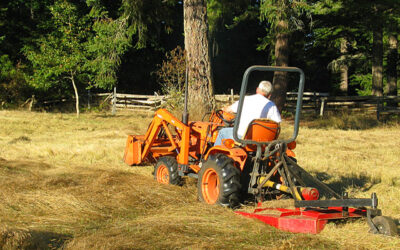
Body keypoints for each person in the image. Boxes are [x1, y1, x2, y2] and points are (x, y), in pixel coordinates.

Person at [214, 80, 281, 146]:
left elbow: (229, 110)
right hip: (264, 140)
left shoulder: (246, 99)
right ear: (269, 95)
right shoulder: (271, 105)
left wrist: (222, 109)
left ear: (257, 89)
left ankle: (213, 156)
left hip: (242, 137)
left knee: (222, 132)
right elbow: (277, 123)